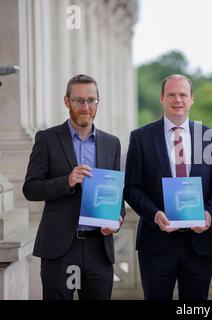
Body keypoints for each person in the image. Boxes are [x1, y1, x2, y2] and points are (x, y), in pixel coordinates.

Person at [124, 74, 212, 300]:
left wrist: (209, 214)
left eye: (183, 94)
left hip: (199, 245)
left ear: (192, 99)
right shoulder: (141, 137)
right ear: (162, 98)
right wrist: (154, 214)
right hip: (156, 243)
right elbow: (131, 188)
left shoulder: (210, 137)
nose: (177, 99)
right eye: (171, 94)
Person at [23, 74, 124, 300]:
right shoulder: (46, 139)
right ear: (67, 101)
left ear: (98, 102)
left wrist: (117, 220)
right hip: (59, 250)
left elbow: (118, 194)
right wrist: (66, 181)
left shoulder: (112, 143)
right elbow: (30, 188)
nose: (85, 106)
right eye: (79, 100)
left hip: (99, 249)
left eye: (91, 100)